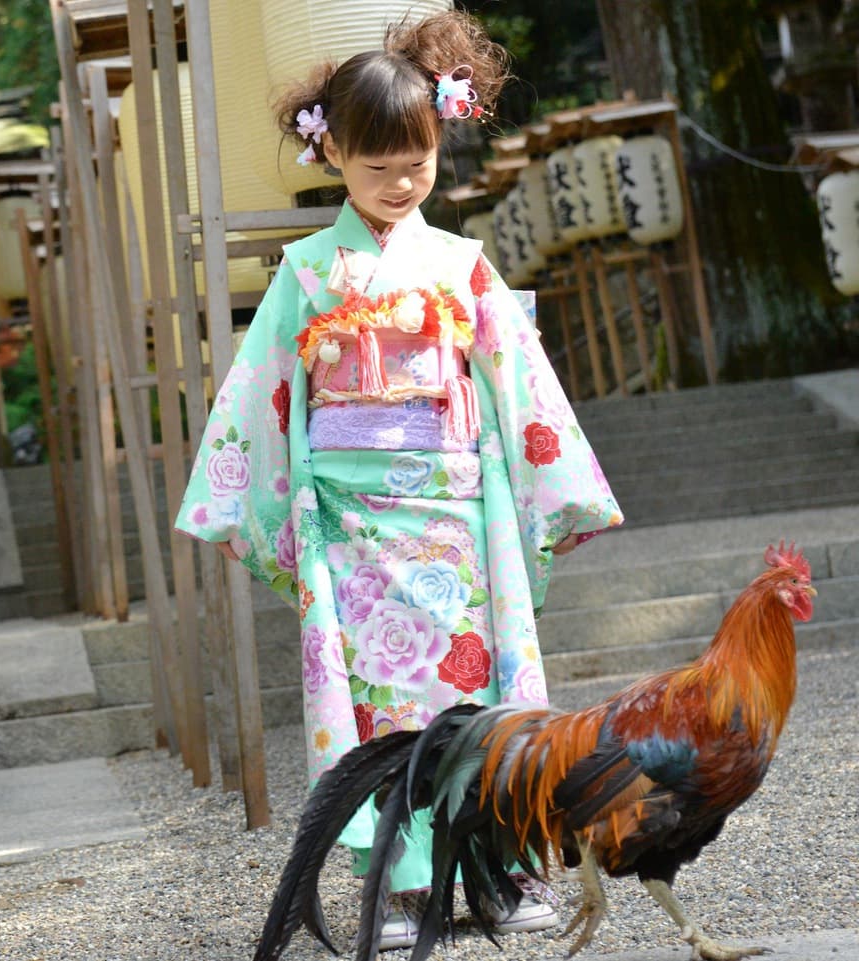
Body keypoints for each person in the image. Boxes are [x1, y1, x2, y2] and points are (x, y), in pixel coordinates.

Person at [175, 11, 622, 951]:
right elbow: (262, 394)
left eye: (414, 162)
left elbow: (516, 383)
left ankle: (498, 873)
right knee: (382, 706)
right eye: (375, 166)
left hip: (456, 517)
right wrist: (244, 492)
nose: (398, 182)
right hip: (351, 525)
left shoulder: (462, 266)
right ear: (330, 149)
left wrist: (554, 482)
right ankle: (408, 886)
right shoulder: (305, 270)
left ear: (438, 140)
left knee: (476, 693)